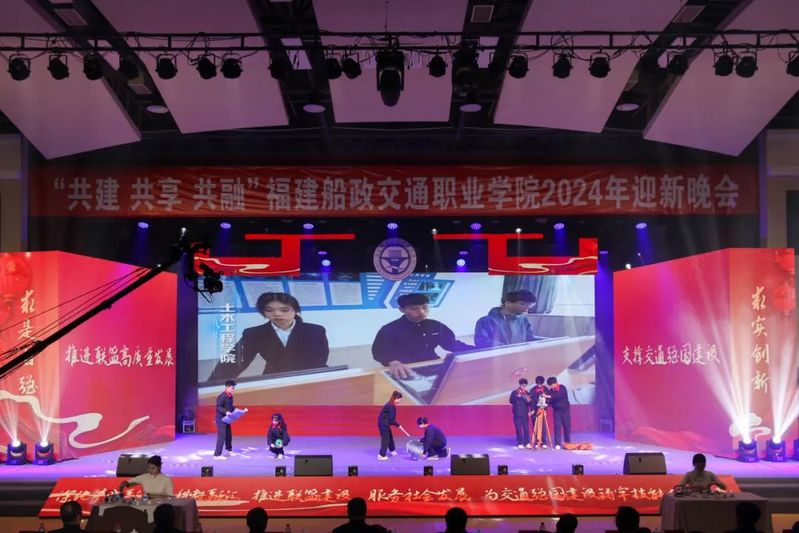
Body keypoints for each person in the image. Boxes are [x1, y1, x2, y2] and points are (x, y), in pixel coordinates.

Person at [208, 292, 329, 380]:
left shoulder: (316, 330)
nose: (277, 314)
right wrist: (213, 385)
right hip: (275, 377)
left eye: (284, 310)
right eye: (269, 310)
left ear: (294, 310)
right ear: (264, 312)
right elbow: (233, 363)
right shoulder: (254, 334)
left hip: (308, 376)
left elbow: (320, 359)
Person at [372, 293, 473, 378]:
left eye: (425, 307)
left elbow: (451, 344)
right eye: (414, 309)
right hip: (404, 366)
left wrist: (475, 351)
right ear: (402, 310)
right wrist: (392, 362)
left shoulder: (436, 325)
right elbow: (379, 351)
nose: (421, 312)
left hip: (432, 362)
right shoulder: (390, 328)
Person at [214, 380, 242, 460]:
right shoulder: (222, 396)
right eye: (232, 388)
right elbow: (218, 407)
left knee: (228, 435)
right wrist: (226, 412)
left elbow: (230, 407)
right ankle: (217, 455)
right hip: (221, 419)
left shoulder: (230, 396)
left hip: (227, 419)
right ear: (227, 387)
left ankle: (229, 450)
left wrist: (238, 410)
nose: (233, 390)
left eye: (234, 388)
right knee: (222, 436)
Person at [377, 391, 405, 460]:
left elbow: (390, 419)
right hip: (383, 425)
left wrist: (398, 425)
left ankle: (392, 450)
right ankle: (381, 455)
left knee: (389, 437)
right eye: (399, 399)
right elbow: (391, 420)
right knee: (385, 440)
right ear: (396, 398)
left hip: (385, 424)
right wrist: (398, 425)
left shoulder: (390, 405)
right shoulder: (390, 406)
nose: (400, 401)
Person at [548, 376, 570, 449]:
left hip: (565, 411)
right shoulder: (550, 391)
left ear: (554, 383)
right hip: (556, 411)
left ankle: (567, 442)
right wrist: (546, 403)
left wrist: (549, 397)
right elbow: (550, 401)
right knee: (557, 427)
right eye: (550, 386)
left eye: (551, 385)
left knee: (566, 426)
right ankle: (557, 443)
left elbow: (558, 396)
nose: (550, 387)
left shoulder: (562, 388)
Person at [510, 378, 532, 449]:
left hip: (525, 414)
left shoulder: (527, 393)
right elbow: (511, 401)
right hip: (517, 414)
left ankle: (527, 442)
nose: (523, 386)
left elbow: (529, 404)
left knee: (526, 429)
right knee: (518, 429)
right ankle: (520, 443)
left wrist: (529, 401)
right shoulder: (514, 392)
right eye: (522, 385)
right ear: (520, 384)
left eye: (524, 385)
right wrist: (516, 397)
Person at [530, 375, 551, 448]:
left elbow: (549, 400)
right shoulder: (532, 390)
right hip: (535, 410)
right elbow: (532, 401)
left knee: (543, 426)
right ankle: (537, 441)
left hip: (543, 409)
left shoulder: (546, 389)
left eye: (540, 383)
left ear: (542, 383)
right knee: (535, 426)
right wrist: (532, 410)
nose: (539, 385)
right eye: (538, 383)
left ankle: (544, 442)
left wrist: (546, 406)